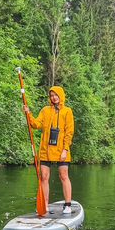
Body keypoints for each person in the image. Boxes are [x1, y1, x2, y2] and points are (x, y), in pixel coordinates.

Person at [23, 86, 75, 214]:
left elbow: (69, 132)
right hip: (45, 150)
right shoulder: (45, 110)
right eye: (51, 95)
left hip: (61, 150)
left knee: (63, 176)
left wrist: (65, 150)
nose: (54, 97)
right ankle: (45, 204)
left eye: (56, 95)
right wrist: (28, 113)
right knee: (44, 177)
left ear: (61, 95)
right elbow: (36, 124)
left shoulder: (67, 111)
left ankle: (67, 205)